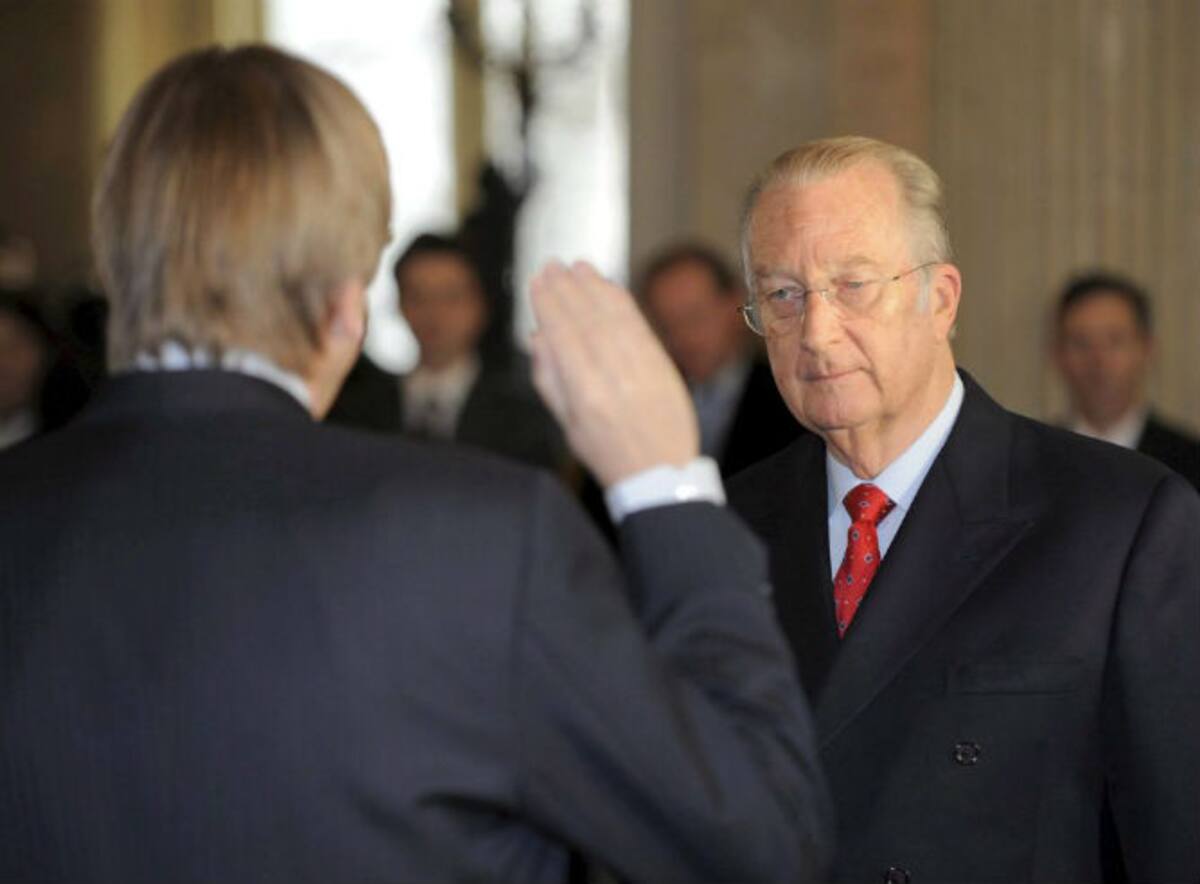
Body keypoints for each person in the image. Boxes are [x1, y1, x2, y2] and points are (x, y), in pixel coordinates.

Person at [0, 46, 833, 883]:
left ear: (116, 263)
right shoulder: (487, 540)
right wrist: (667, 489)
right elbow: (758, 847)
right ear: (349, 306)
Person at [726, 136, 1199, 883]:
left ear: (940, 299)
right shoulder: (723, 529)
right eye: (784, 295)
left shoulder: (1121, 523)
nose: (816, 333)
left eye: (853, 285)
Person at [328, 233, 564, 472]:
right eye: (418, 296)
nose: (434, 313)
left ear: (482, 305)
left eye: (451, 297)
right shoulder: (357, 410)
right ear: (400, 305)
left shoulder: (523, 418)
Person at [640, 242, 800, 475]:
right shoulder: (647, 406)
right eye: (666, 325)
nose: (682, 337)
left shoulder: (788, 397)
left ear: (734, 303)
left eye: (694, 317)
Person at [1053, 270, 1200, 489]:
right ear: (1058, 354)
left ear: (1147, 349)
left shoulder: (1190, 464)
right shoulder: (1030, 461)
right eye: (1081, 342)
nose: (1098, 360)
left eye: (1115, 341)